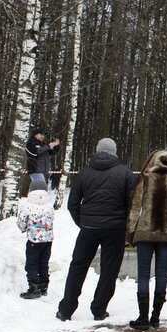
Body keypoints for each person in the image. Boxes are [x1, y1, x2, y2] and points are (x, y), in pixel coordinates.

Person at [57, 138, 135, 322]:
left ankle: (66, 309)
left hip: (89, 229)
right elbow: (133, 205)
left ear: (98, 151)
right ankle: (99, 309)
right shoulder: (125, 173)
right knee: (109, 270)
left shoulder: (85, 173)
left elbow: (73, 203)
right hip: (115, 229)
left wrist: (83, 223)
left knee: (78, 266)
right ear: (114, 152)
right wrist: (125, 225)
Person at [125, 150, 167, 331]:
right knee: (162, 274)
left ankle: (143, 317)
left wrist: (130, 232)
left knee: (144, 273)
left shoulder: (145, 179)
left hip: (145, 232)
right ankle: (156, 316)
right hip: (166, 233)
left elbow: (134, 208)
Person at [17, 179, 54, 299]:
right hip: (47, 240)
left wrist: (23, 228)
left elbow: (22, 221)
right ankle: (44, 286)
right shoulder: (49, 206)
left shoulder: (27, 206)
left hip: (34, 239)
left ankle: (34, 287)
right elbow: (51, 220)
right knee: (44, 262)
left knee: (32, 263)